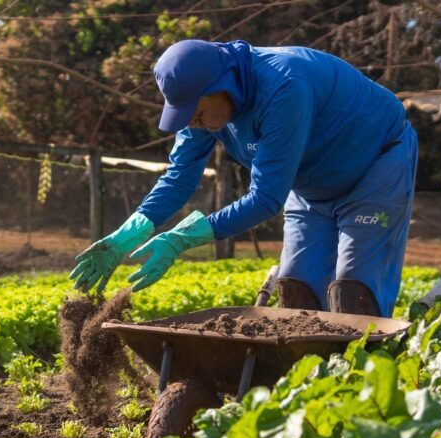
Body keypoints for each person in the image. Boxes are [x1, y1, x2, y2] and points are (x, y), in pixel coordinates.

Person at [70, 39, 418, 318]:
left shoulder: (284, 85)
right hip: (311, 185)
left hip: (376, 166)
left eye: (198, 113)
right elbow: (179, 178)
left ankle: (367, 388)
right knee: (297, 289)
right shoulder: (206, 109)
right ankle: (317, 390)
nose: (193, 123)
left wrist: (181, 239)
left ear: (221, 87)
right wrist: (133, 230)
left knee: (354, 291)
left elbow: (266, 198)